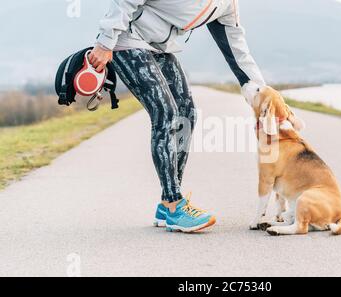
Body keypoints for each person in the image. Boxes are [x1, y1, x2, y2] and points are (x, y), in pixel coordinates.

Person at [89, 0, 265, 233]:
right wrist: (105, 41)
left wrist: (264, 93)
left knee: (186, 113)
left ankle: (167, 202)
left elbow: (237, 48)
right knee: (166, 113)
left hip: (159, 45)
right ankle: (174, 205)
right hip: (126, 40)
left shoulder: (227, 6)